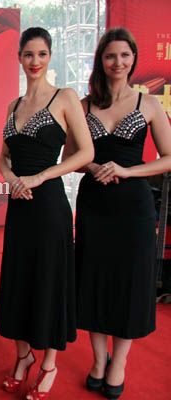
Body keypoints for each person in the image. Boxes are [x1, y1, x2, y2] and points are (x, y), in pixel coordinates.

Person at [72, 28, 171, 399]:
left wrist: (129, 170)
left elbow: (169, 158)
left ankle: (120, 362)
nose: (118, 62)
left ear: (134, 59)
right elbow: (70, 158)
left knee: (129, 284)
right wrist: (93, 166)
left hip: (134, 207)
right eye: (111, 55)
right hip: (95, 205)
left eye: (125, 55)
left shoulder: (149, 104)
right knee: (94, 280)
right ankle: (99, 359)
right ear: (101, 60)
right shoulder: (84, 105)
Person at [0, 27, 94, 399]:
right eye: (28, 54)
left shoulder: (64, 97)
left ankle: (49, 363)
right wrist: (12, 180)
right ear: (19, 58)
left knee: (50, 280)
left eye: (41, 54)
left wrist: (40, 177)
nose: (34, 61)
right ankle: (23, 356)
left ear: (49, 56)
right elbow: (2, 159)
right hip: (19, 206)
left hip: (49, 204)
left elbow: (85, 153)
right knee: (18, 279)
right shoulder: (13, 105)